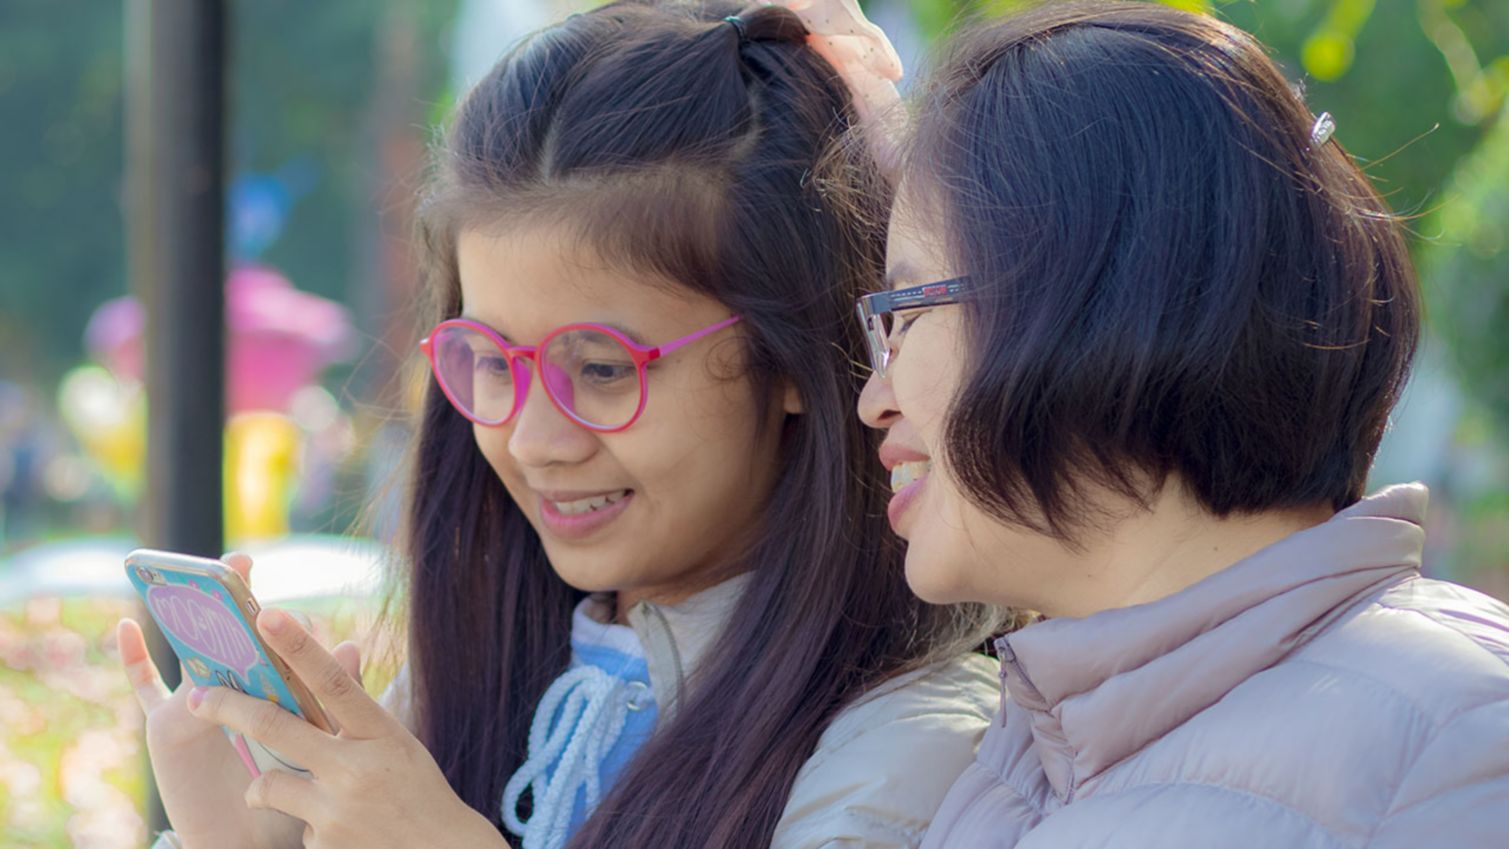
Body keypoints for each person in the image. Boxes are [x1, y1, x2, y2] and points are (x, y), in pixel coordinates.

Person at [117, 3, 1010, 849]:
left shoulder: (914, 739)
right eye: (494, 362)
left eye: (601, 368)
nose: (538, 440)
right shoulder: (458, 684)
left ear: (794, 355)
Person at [855, 2, 1509, 846]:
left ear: (1104, 298)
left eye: (902, 314)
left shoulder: (1455, 738)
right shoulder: (1016, 760)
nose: (874, 396)